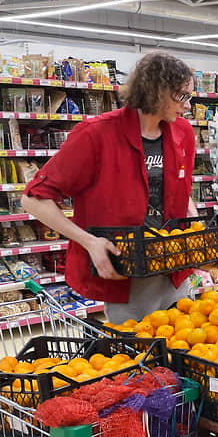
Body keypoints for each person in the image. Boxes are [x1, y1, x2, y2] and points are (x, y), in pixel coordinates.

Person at [22, 51, 197, 325]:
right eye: (182, 96)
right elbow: (33, 199)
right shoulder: (95, 134)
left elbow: (181, 190)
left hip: (174, 270)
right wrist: (90, 242)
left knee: (187, 347)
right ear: (158, 91)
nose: (188, 105)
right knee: (137, 357)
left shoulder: (183, 132)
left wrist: (196, 229)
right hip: (125, 276)